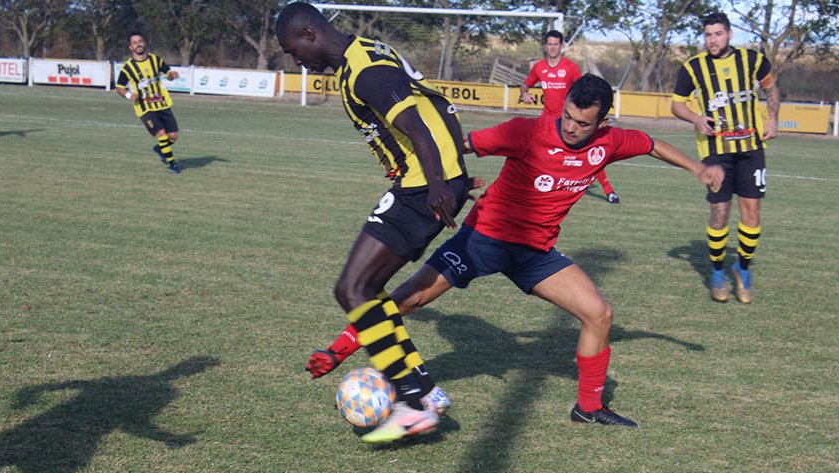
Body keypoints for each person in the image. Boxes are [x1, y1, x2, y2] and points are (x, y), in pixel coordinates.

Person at [308, 74, 724, 429]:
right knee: (413, 297)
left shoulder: (609, 143)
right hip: (482, 241)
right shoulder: (528, 131)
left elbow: (652, 143)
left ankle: (589, 408)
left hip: (535, 254)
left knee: (599, 314)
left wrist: (698, 168)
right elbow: (460, 145)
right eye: (568, 117)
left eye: (583, 123)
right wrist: (437, 180)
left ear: (602, 122)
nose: (571, 128)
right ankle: (338, 348)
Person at [275, 2, 478, 443]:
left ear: (309, 34)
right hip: (428, 180)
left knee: (351, 289)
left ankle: (410, 402)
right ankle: (426, 393)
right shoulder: (366, 52)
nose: (297, 62)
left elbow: (416, 122)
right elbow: (435, 107)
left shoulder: (364, 68)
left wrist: (442, 182)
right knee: (368, 290)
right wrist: (455, 174)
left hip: (423, 186)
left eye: (293, 50)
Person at [671, 12, 780, 304]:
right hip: (716, 150)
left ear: (729, 34)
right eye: (707, 35)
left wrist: (773, 119)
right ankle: (718, 271)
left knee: (752, 212)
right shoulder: (693, 67)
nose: (712, 40)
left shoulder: (753, 60)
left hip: (752, 147)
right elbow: (676, 105)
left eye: (718, 34)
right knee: (720, 213)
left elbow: (771, 89)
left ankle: (742, 270)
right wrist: (695, 118)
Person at [521, 30, 620, 204]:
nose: (552, 48)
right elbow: (525, 85)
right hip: (546, 121)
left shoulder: (570, 68)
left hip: (567, 121)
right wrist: (526, 94)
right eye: (549, 44)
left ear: (562, 46)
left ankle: (609, 191)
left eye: (556, 44)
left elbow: (585, 90)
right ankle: (533, 188)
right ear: (546, 46)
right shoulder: (539, 67)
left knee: (588, 155)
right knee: (532, 151)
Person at [115, 32, 182, 174]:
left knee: (173, 136)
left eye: (140, 41)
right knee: (162, 135)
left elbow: (168, 73)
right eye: (134, 42)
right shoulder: (127, 68)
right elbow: (119, 87)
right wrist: (129, 95)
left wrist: (172, 75)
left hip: (161, 103)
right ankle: (172, 163)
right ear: (130, 47)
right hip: (145, 108)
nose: (138, 44)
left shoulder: (156, 60)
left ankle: (160, 148)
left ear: (144, 43)